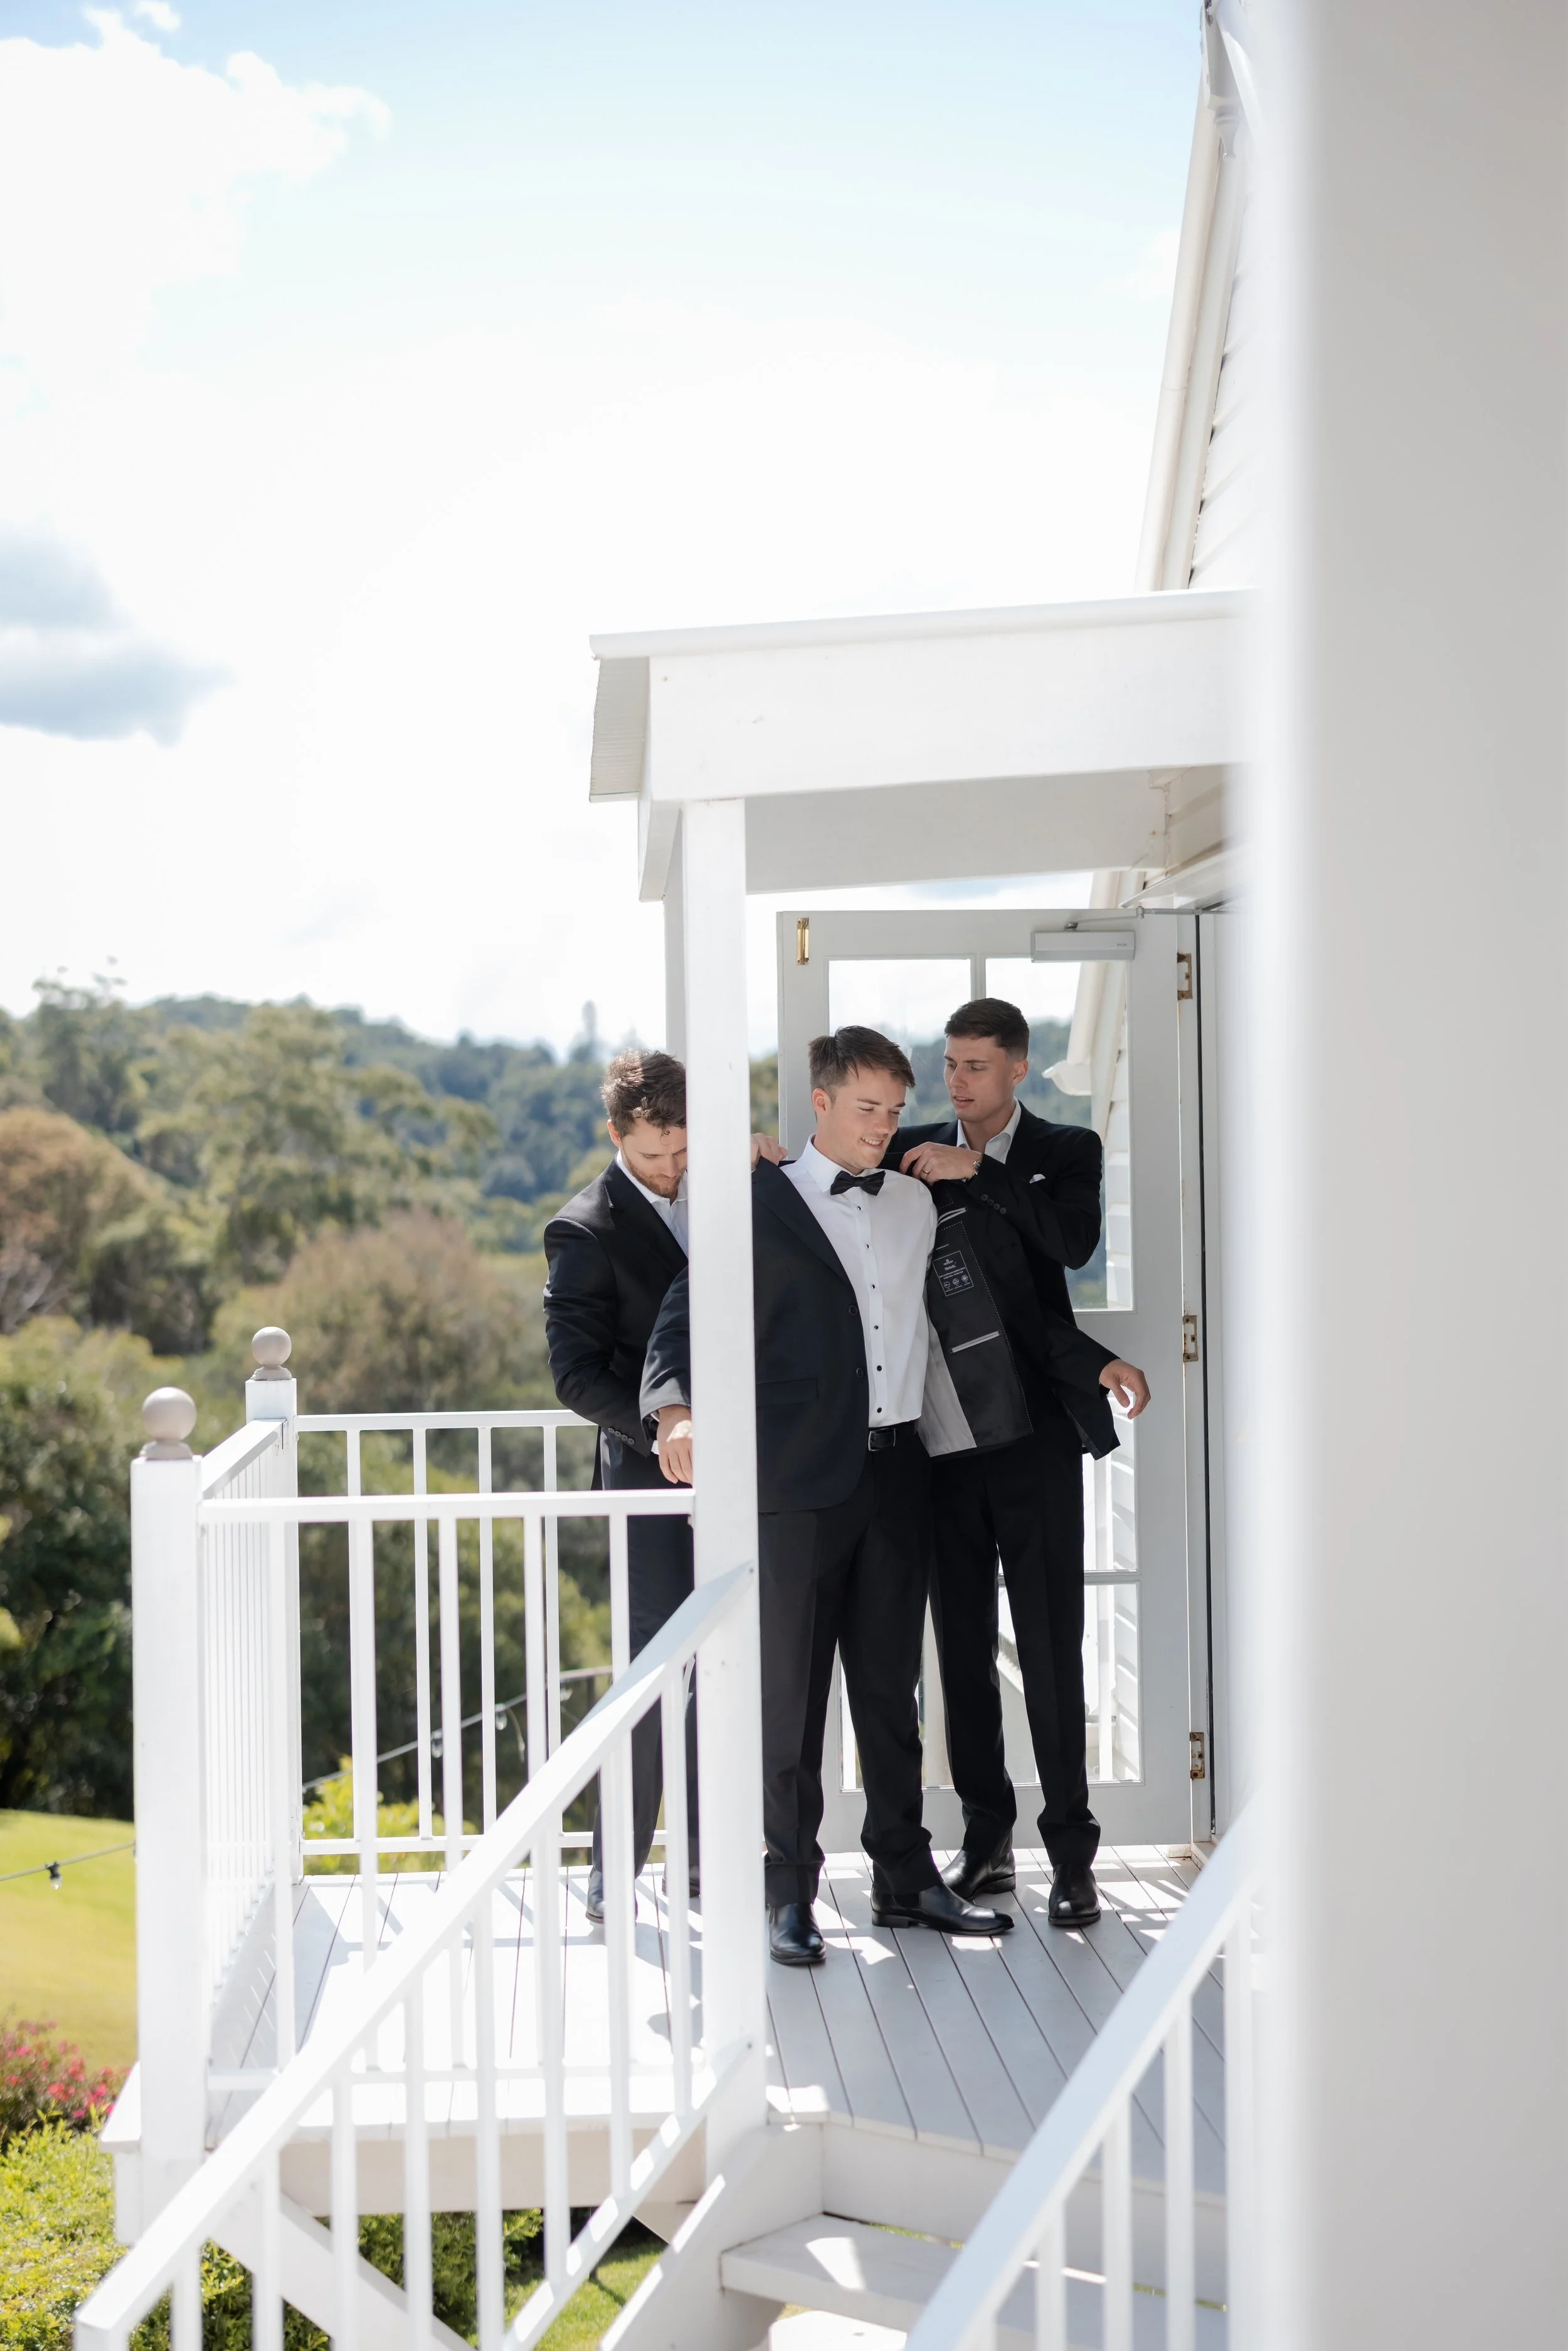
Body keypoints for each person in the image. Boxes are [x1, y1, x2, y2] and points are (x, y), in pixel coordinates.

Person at [642, 1026, 1011, 1966]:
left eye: (894, 1110)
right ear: (819, 1103)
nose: (883, 1128)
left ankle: (903, 1877)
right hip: (796, 1483)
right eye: (865, 1110)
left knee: (892, 1693)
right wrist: (675, 1412)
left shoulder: (916, 1206)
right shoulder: (752, 1201)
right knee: (791, 1701)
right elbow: (682, 1317)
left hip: (900, 1475)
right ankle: (788, 1893)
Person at [889, 999, 1150, 1928]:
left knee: (1048, 1645)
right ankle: (987, 1844)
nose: (955, 1081)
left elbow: (1069, 1244)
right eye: (950, 1064)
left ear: (1017, 1071)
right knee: (958, 1650)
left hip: (1035, 1433)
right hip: (939, 1443)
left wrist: (983, 1176)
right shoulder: (906, 1152)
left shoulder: (1066, 1151)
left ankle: (1073, 1857)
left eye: (974, 1066)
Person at [543, 1047, 783, 1922]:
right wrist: (663, 1422)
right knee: (652, 1671)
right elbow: (572, 1375)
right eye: (654, 1155)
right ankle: (616, 1861)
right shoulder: (584, 1229)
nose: (674, 1171)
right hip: (650, 1477)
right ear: (617, 1135)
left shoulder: (732, 1182)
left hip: (755, 1473)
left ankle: (708, 1858)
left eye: (686, 1151)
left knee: (736, 1664)